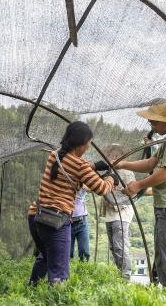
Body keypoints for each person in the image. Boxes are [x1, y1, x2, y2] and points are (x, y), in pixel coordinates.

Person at [116, 102, 166, 301]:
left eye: (153, 121)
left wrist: (138, 185)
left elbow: (165, 173)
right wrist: (124, 163)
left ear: (165, 121)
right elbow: (152, 163)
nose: (151, 124)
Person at [29, 121, 114, 286]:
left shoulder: (55, 155)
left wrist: (93, 167)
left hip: (37, 216)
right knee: (59, 271)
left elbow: (69, 171)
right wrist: (111, 178)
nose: (88, 148)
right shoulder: (80, 165)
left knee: (46, 258)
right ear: (81, 144)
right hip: (56, 220)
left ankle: (32, 288)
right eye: (88, 144)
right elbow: (102, 189)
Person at [102, 144, 137, 278]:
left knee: (120, 246)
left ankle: (125, 276)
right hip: (110, 215)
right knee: (113, 246)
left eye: (113, 155)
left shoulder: (127, 172)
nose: (110, 157)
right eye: (109, 154)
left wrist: (116, 204)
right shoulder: (107, 172)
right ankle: (120, 274)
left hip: (122, 214)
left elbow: (132, 193)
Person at [70, 189, 91, 262]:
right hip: (67, 222)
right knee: (67, 252)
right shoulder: (65, 187)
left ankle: (83, 270)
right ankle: (67, 271)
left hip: (82, 221)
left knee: (84, 251)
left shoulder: (82, 186)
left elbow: (91, 188)